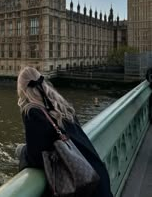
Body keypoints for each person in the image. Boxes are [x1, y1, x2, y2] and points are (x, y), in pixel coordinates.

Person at [17, 66, 113, 197]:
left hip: (83, 185)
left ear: (22, 89)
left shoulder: (32, 111)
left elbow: (36, 157)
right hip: (97, 174)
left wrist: (22, 151)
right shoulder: (61, 104)